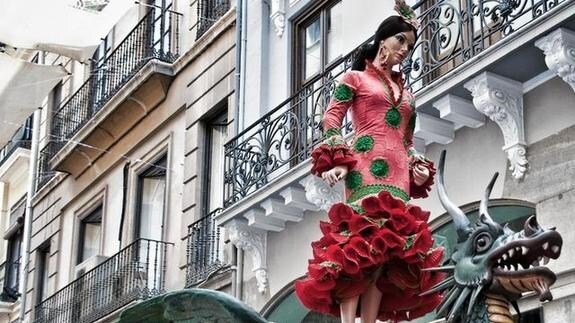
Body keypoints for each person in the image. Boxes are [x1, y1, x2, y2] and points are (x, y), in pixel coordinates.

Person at [294, 2, 445, 323]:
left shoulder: (408, 93)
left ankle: (370, 320)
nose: (405, 49)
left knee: (386, 257)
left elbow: (406, 141)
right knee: (360, 250)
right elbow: (331, 119)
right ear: (383, 39)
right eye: (400, 40)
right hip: (364, 169)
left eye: (410, 45)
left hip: (398, 177)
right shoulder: (355, 78)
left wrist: (418, 169)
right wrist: (338, 162)